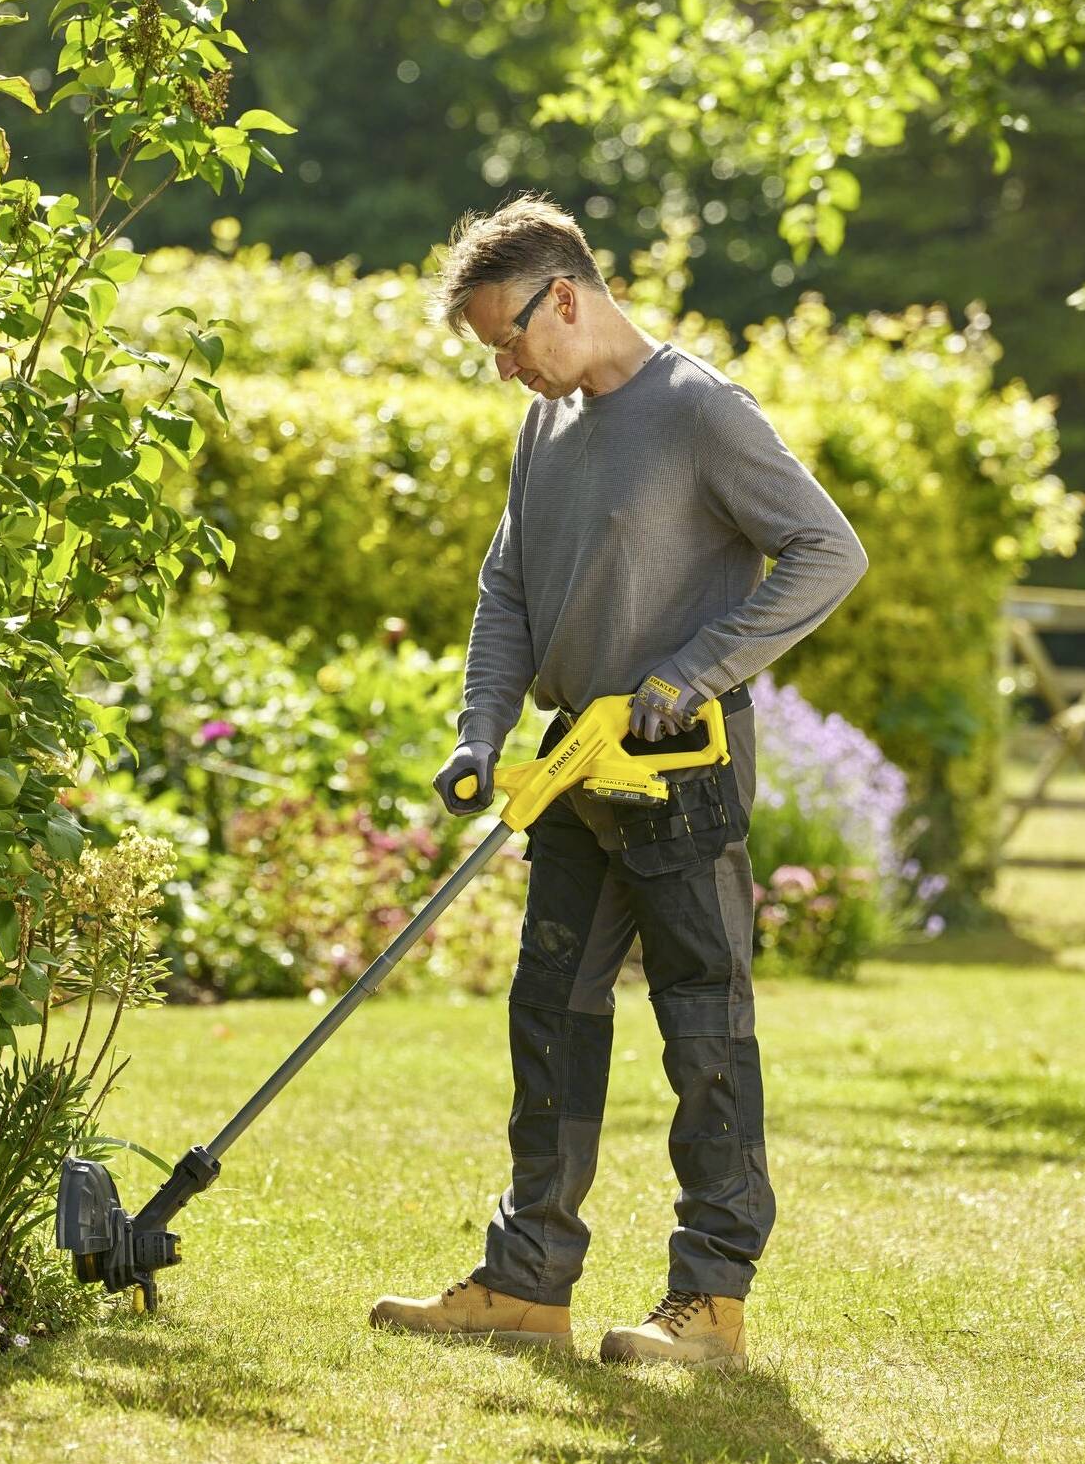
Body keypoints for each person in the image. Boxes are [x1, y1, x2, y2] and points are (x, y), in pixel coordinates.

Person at [369, 194, 869, 1369]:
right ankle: (526, 1279)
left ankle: (709, 1302)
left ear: (565, 297)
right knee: (548, 1011)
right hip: (571, 765)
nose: (504, 368)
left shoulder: (697, 411)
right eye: (488, 350)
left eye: (508, 339)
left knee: (701, 1020)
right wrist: (478, 730)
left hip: (676, 773)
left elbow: (826, 550)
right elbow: (506, 592)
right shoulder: (547, 426)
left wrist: (695, 671)